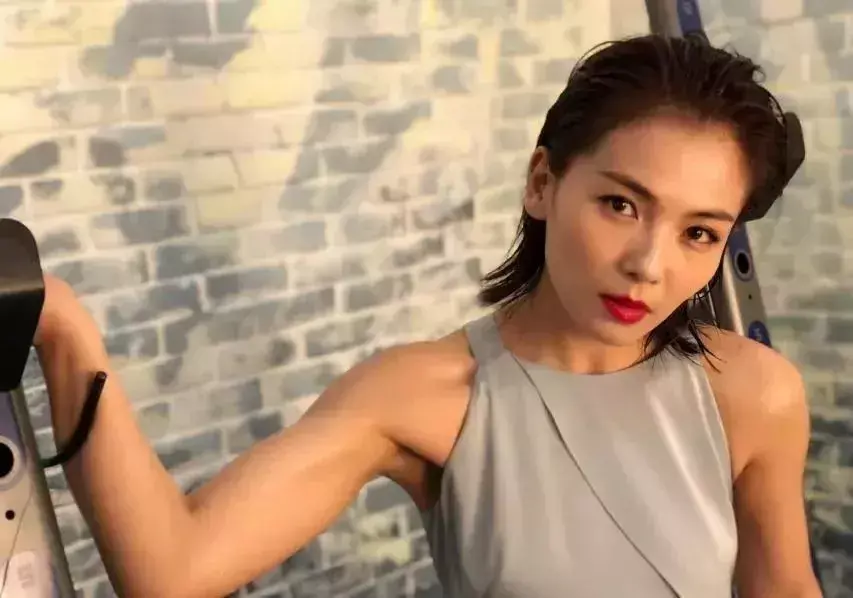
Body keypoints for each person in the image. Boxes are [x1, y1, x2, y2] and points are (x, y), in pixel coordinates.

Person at [34, 34, 822, 598]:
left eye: (698, 233)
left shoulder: (753, 394)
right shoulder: (423, 397)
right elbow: (172, 572)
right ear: (542, 183)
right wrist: (64, 330)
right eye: (620, 204)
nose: (649, 264)